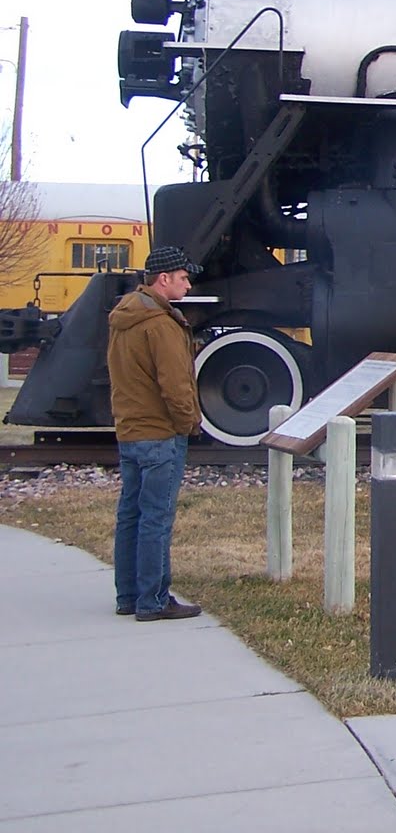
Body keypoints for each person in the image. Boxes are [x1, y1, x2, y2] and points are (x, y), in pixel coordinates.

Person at [109, 245, 204, 621]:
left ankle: (128, 596)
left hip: (130, 430)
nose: (189, 284)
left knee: (130, 515)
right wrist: (188, 424)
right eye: (183, 278)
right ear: (163, 279)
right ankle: (154, 601)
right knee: (156, 518)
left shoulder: (123, 318)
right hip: (160, 433)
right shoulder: (161, 324)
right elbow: (175, 384)